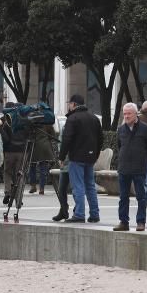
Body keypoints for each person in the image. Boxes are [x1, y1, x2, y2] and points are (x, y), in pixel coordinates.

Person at [114, 102, 147, 232]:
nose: (126, 116)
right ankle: (123, 222)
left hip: (139, 168)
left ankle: (141, 222)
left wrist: (142, 158)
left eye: (129, 114)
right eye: (124, 113)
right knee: (123, 197)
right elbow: (119, 145)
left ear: (136, 114)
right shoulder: (121, 129)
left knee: (141, 197)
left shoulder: (145, 129)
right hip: (124, 168)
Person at [60, 94, 102, 224]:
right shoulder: (94, 118)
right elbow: (101, 138)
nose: (68, 106)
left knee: (78, 186)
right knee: (90, 186)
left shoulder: (73, 118)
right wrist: (95, 155)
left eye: (69, 104)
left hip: (76, 157)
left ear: (73, 104)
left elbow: (66, 139)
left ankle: (79, 214)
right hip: (90, 158)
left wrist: (61, 157)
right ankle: (94, 214)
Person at [0, 103, 29, 208]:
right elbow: (28, 135)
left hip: (9, 151)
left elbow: (3, 136)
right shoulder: (25, 119)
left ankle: (8, 191)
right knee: (19, 175)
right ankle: (18, 199)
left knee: (7, 172)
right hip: (22, 151)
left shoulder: (5, 119)